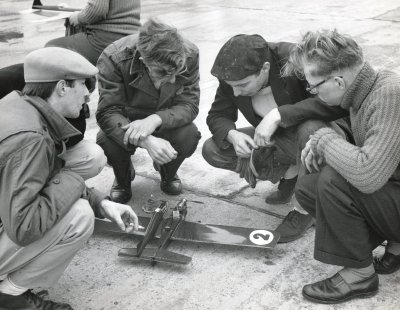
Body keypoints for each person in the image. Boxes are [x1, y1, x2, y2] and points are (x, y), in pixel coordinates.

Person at [0, 47, 139, 310]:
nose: (89, 93)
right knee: (78, 216)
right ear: (62, 87)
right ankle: (9, 296)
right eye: (83, 85)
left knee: (81, 205)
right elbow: (24, 227)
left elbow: (48, 174)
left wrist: (102, 203)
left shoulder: (19, 105)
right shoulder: (31, 139)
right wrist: (76, 185)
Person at [284, 29, 400, 304]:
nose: (311, 92)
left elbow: (368, 173)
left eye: (313, 86)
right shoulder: (366, 90)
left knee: (335, 180)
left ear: (338, 81)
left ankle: (360, 275)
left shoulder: (389, 95)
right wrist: (332, 138)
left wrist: (325, 140)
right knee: (310, 187)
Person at [202, 34, 348, 242]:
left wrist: (279, 114)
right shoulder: (233, 76)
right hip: (278, 139)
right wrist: (232, 135)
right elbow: (218, 115)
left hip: (324, 137)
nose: (236, 92)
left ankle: (306, 209)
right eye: (232, 86)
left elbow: (333, 103)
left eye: (243, 85)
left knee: (310, 130)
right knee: (213, 149)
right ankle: (290, 175)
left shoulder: (297, 59)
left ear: (265, 68)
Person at [96, 18, 201, 203]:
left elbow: (189, 104)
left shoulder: (189, 54)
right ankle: (123, 176)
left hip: (165, 118)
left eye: (176, 72)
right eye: (162, 73)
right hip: (127, 120)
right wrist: (145, 139)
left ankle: (167, 171)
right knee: (106, 139)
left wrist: (155, 119)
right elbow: (108, 112)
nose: (171, 80)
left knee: (189, 135)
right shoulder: (114, 57)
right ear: (143, 61)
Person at [45, 0, 141, 66]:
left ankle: (81, 91)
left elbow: (97, 11)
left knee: (52, 48)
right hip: (132, 37)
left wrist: (77, 17)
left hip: (106, 40)